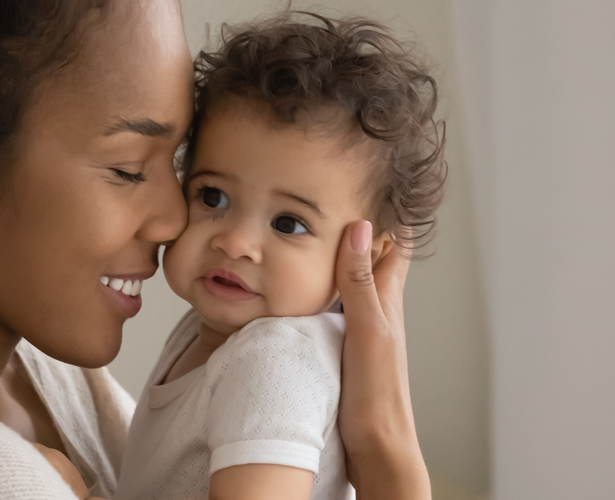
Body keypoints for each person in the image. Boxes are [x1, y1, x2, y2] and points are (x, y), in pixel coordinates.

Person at [0, 0, 431, 499]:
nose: (174, 215)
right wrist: (386, 452)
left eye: (172, 159)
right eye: (126, 168)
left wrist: (378, 434)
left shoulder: (30, 366)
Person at [109, 12, 446, 500]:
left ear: (367, 257)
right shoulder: (213, 330)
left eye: (288, 223)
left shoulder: (274, 358)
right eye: (212, 197)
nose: (235, 242)